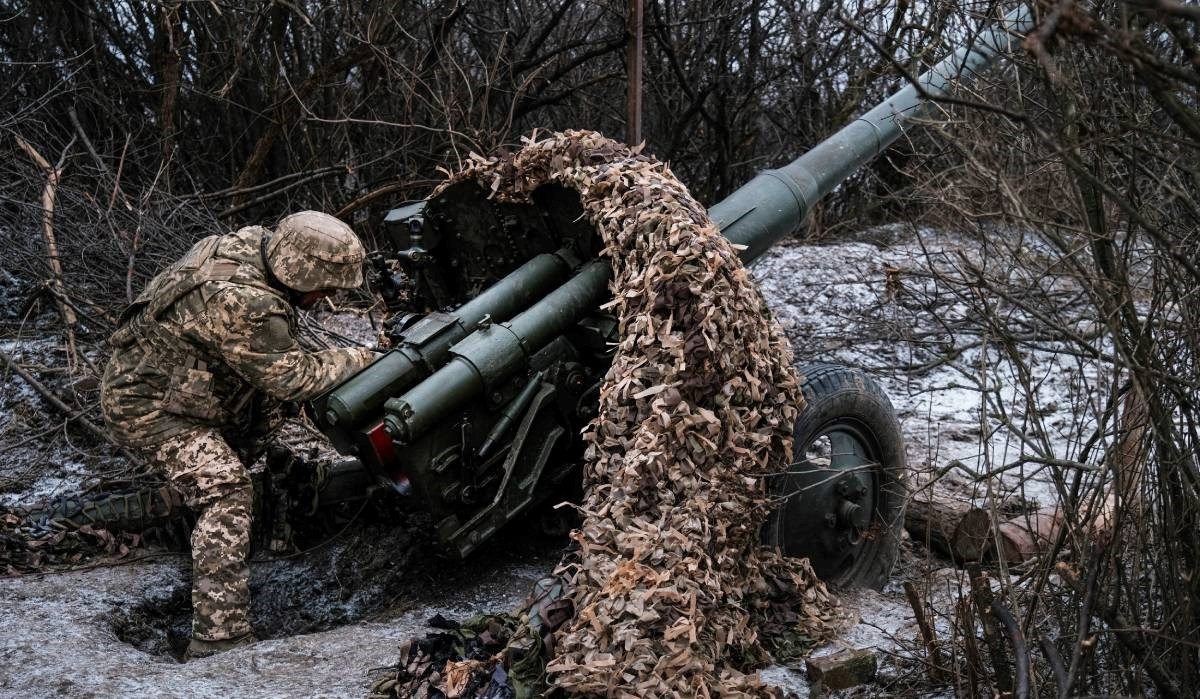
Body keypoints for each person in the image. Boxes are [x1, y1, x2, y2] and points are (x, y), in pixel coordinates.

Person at [100, 211, 376, 659]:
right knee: (227, 491)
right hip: (149, 408)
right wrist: (362, 358)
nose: (326, 298)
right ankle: (218, 638)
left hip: (186, 387)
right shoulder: (246, 302)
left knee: (258, 429)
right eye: (324, 288)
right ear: (299, 273)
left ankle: (255, 517)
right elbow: (295, 377)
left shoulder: (250, 245)